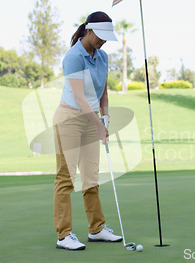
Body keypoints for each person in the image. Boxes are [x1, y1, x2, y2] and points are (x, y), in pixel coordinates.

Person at [52, 11, 121, 251]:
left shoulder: (102, 57)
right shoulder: (73, 56)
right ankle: (64, 235)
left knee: (91, 178)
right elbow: (80, 97)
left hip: (92, 120)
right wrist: (99, 125)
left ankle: (97, 229)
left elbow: (103, 91)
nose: (103, 40)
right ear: (89, 30)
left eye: (106, 37)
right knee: (66, 178)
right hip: (70, 118)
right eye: (100, 35)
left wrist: (106, 116)